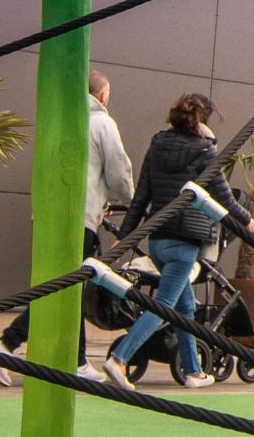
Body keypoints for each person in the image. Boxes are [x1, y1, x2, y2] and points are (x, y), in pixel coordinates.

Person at [88, 92, 236, 391]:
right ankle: (119, 358)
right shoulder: (205, 151)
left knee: (185, 309)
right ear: (203, 120)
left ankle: (193, 372)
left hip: (158, 242)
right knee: (163, 306)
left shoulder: (157, 144)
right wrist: (248, 220)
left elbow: (142, 195)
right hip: (185, 244)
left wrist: (126, 238)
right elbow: (223, 196)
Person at [0, 70, 132, 363]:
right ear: (103, 95)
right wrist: (129, 200)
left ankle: (79, 361)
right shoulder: (101, 123)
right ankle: (7, 342)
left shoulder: (58, 120)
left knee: (65, 287)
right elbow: (118, 172)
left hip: (46, 216)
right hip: (78, 218)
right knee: (65, 288)